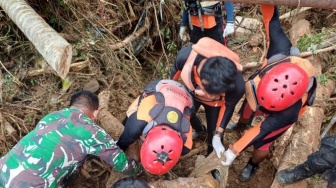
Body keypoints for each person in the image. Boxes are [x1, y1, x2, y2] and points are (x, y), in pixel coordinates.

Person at [219, 5, 317, 182]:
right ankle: (242, 123)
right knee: (248, 106)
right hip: (271, 97)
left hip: (283, 114)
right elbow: (271, 17)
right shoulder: (281, 49)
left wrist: (233, 151)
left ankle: (252, 165)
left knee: (263, 142)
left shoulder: (288, 113)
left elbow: (260, 129)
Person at [0, 90, 142, 188]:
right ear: (96, 112)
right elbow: (122, 164)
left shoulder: (51, 116)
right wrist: (138, 169)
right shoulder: (91, 131)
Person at [170, 36, 245, 156]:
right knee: (187, 114)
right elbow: (171, 83)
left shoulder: (237, 85)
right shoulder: (185, 58)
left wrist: (218, 134)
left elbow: (228, 108)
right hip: (192, 93)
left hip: (216, 105)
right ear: (202, 80)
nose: (209, 96)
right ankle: (199, 130)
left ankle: (211, 155)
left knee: (213, 131)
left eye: (215, 93)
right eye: (208, 91)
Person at [116, 79, 194, 175]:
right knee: (130, 116)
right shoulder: (140, 121)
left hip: (185, 97)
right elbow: (122, 143)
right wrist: (119, 149)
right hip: (161, 87)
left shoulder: (185, 145)